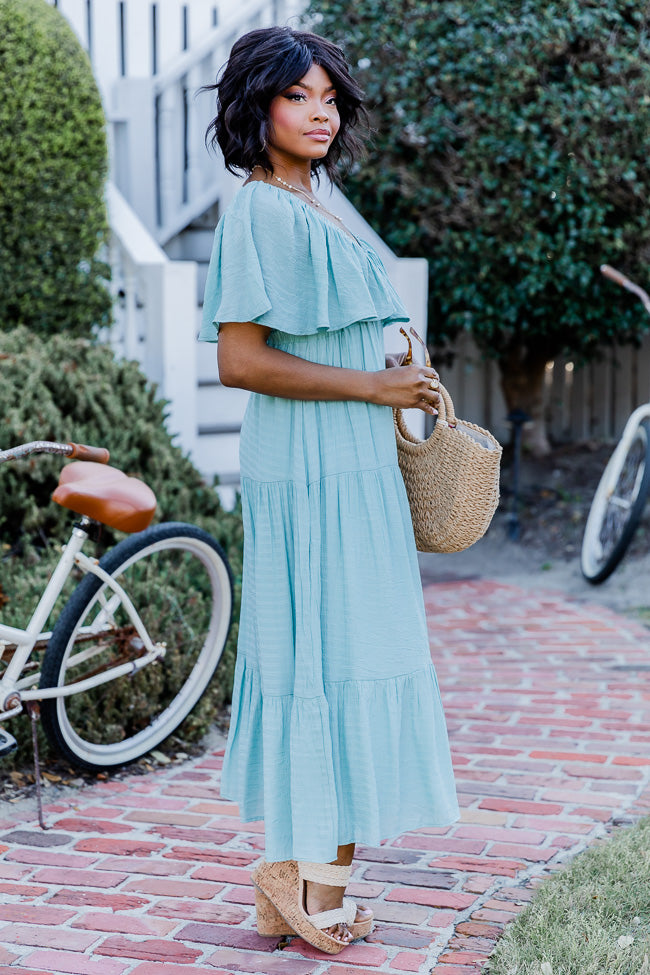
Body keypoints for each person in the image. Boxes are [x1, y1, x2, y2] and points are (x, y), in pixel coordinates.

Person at [199, 25, 459, 955]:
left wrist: (383, 355)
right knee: (327, 661)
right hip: (308, 470)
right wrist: (373, 384)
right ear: (256, 107)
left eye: (328, 97)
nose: (319, 112)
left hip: (353, 467)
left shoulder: (318, 197)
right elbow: (240, 359)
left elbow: (326, 326)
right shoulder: (260, 208)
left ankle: (308, 884)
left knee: (348, 658)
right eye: (297, 96)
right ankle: (310, 884)